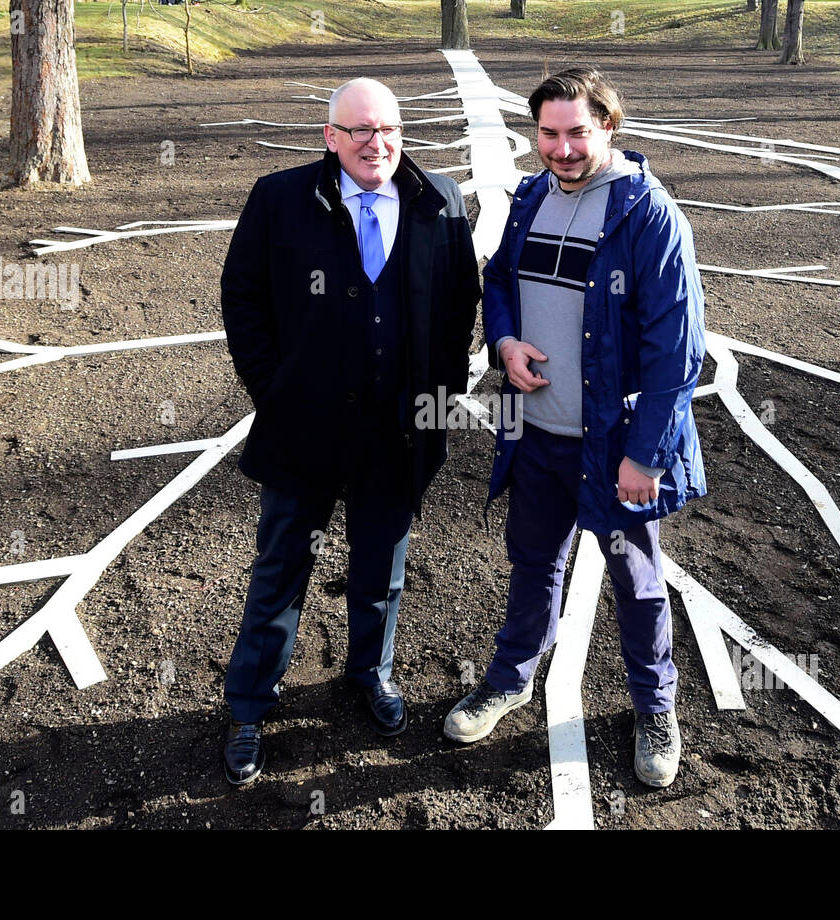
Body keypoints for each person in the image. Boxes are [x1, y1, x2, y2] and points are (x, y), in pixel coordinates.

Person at [443, 67, 707, 788]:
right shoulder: (530, 196)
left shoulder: (647, 215)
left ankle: (655, 707)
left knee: (637, 582)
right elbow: (497, 280)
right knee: (533, 564)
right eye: (549, 133)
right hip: (535, 436)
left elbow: (676, 351)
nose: (561, 149)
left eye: (577, 133)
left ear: (609, 128)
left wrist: (645, 455)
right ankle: (510, 678)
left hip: (614, 446)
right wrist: (503, 343)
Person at [220, 77, 480, 786]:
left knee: (381, 569)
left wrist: (441, 392)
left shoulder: (439, 203)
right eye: (360, 130)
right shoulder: (279, 199)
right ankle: (247, 702)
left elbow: (462, 305)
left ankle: (371, 674)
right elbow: (241, 296)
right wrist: (273, 389)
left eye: (388, 128)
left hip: (395, 433)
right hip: (304, 427)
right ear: (330, 138)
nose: (377, 142)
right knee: (280, 569)